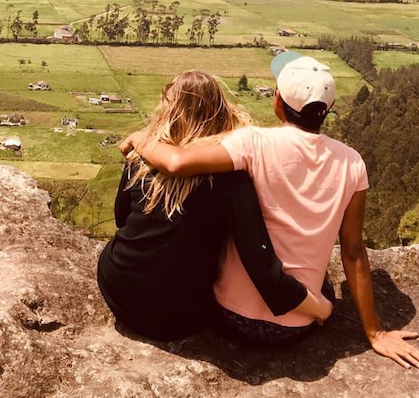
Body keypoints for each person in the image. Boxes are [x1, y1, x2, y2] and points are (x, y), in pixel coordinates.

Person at [125, 52, 419, 368]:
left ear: (278, 102)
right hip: (295, 328)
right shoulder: (352, 162)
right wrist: (375, 332)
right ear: (327, 111)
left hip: (228, 317)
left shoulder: (252, 143)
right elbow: (353, 252)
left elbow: (177, 163)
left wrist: (139, 139)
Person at [97, 70, 333, 341]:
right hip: (182, 316)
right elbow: (259, 260)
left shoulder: (141, 162)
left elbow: (121, 218)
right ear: (220, 113)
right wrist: (321, 307)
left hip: (119, 290)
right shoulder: (232, 181)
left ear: (167, 111)